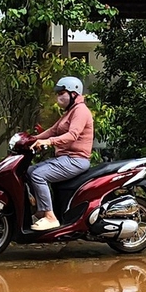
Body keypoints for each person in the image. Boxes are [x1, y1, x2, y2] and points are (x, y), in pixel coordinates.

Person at [26, 75, 93, 232]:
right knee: (29, 171)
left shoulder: (81, 111)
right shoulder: (70, 112)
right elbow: (53, 130)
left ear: (73, 93)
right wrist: (32, 139)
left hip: (75, 160)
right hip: (64, 158)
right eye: (58, 93)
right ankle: (41, 211)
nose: (58, 97)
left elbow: (72, 135)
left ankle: (50, 217)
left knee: (38, 175)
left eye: (61, 93)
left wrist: (49, 142)